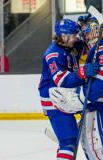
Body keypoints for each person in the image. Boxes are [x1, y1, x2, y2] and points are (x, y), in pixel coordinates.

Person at [49, 15, 103, 159]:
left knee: (101, 144)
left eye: (86, 33)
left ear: (94, 31)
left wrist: (83, 96)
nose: (84, 37)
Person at [38, 19, 99, 159]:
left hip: (69, 96)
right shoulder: (53, 54)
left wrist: (86, 24)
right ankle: (65, 139)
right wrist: (83, 72)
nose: (75, 38)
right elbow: (62, 81)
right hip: (55, 100)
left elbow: (90, 46)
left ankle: (67, 134)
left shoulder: (72, 45)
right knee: (69, 143)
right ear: (63, 37)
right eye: (73, 35)